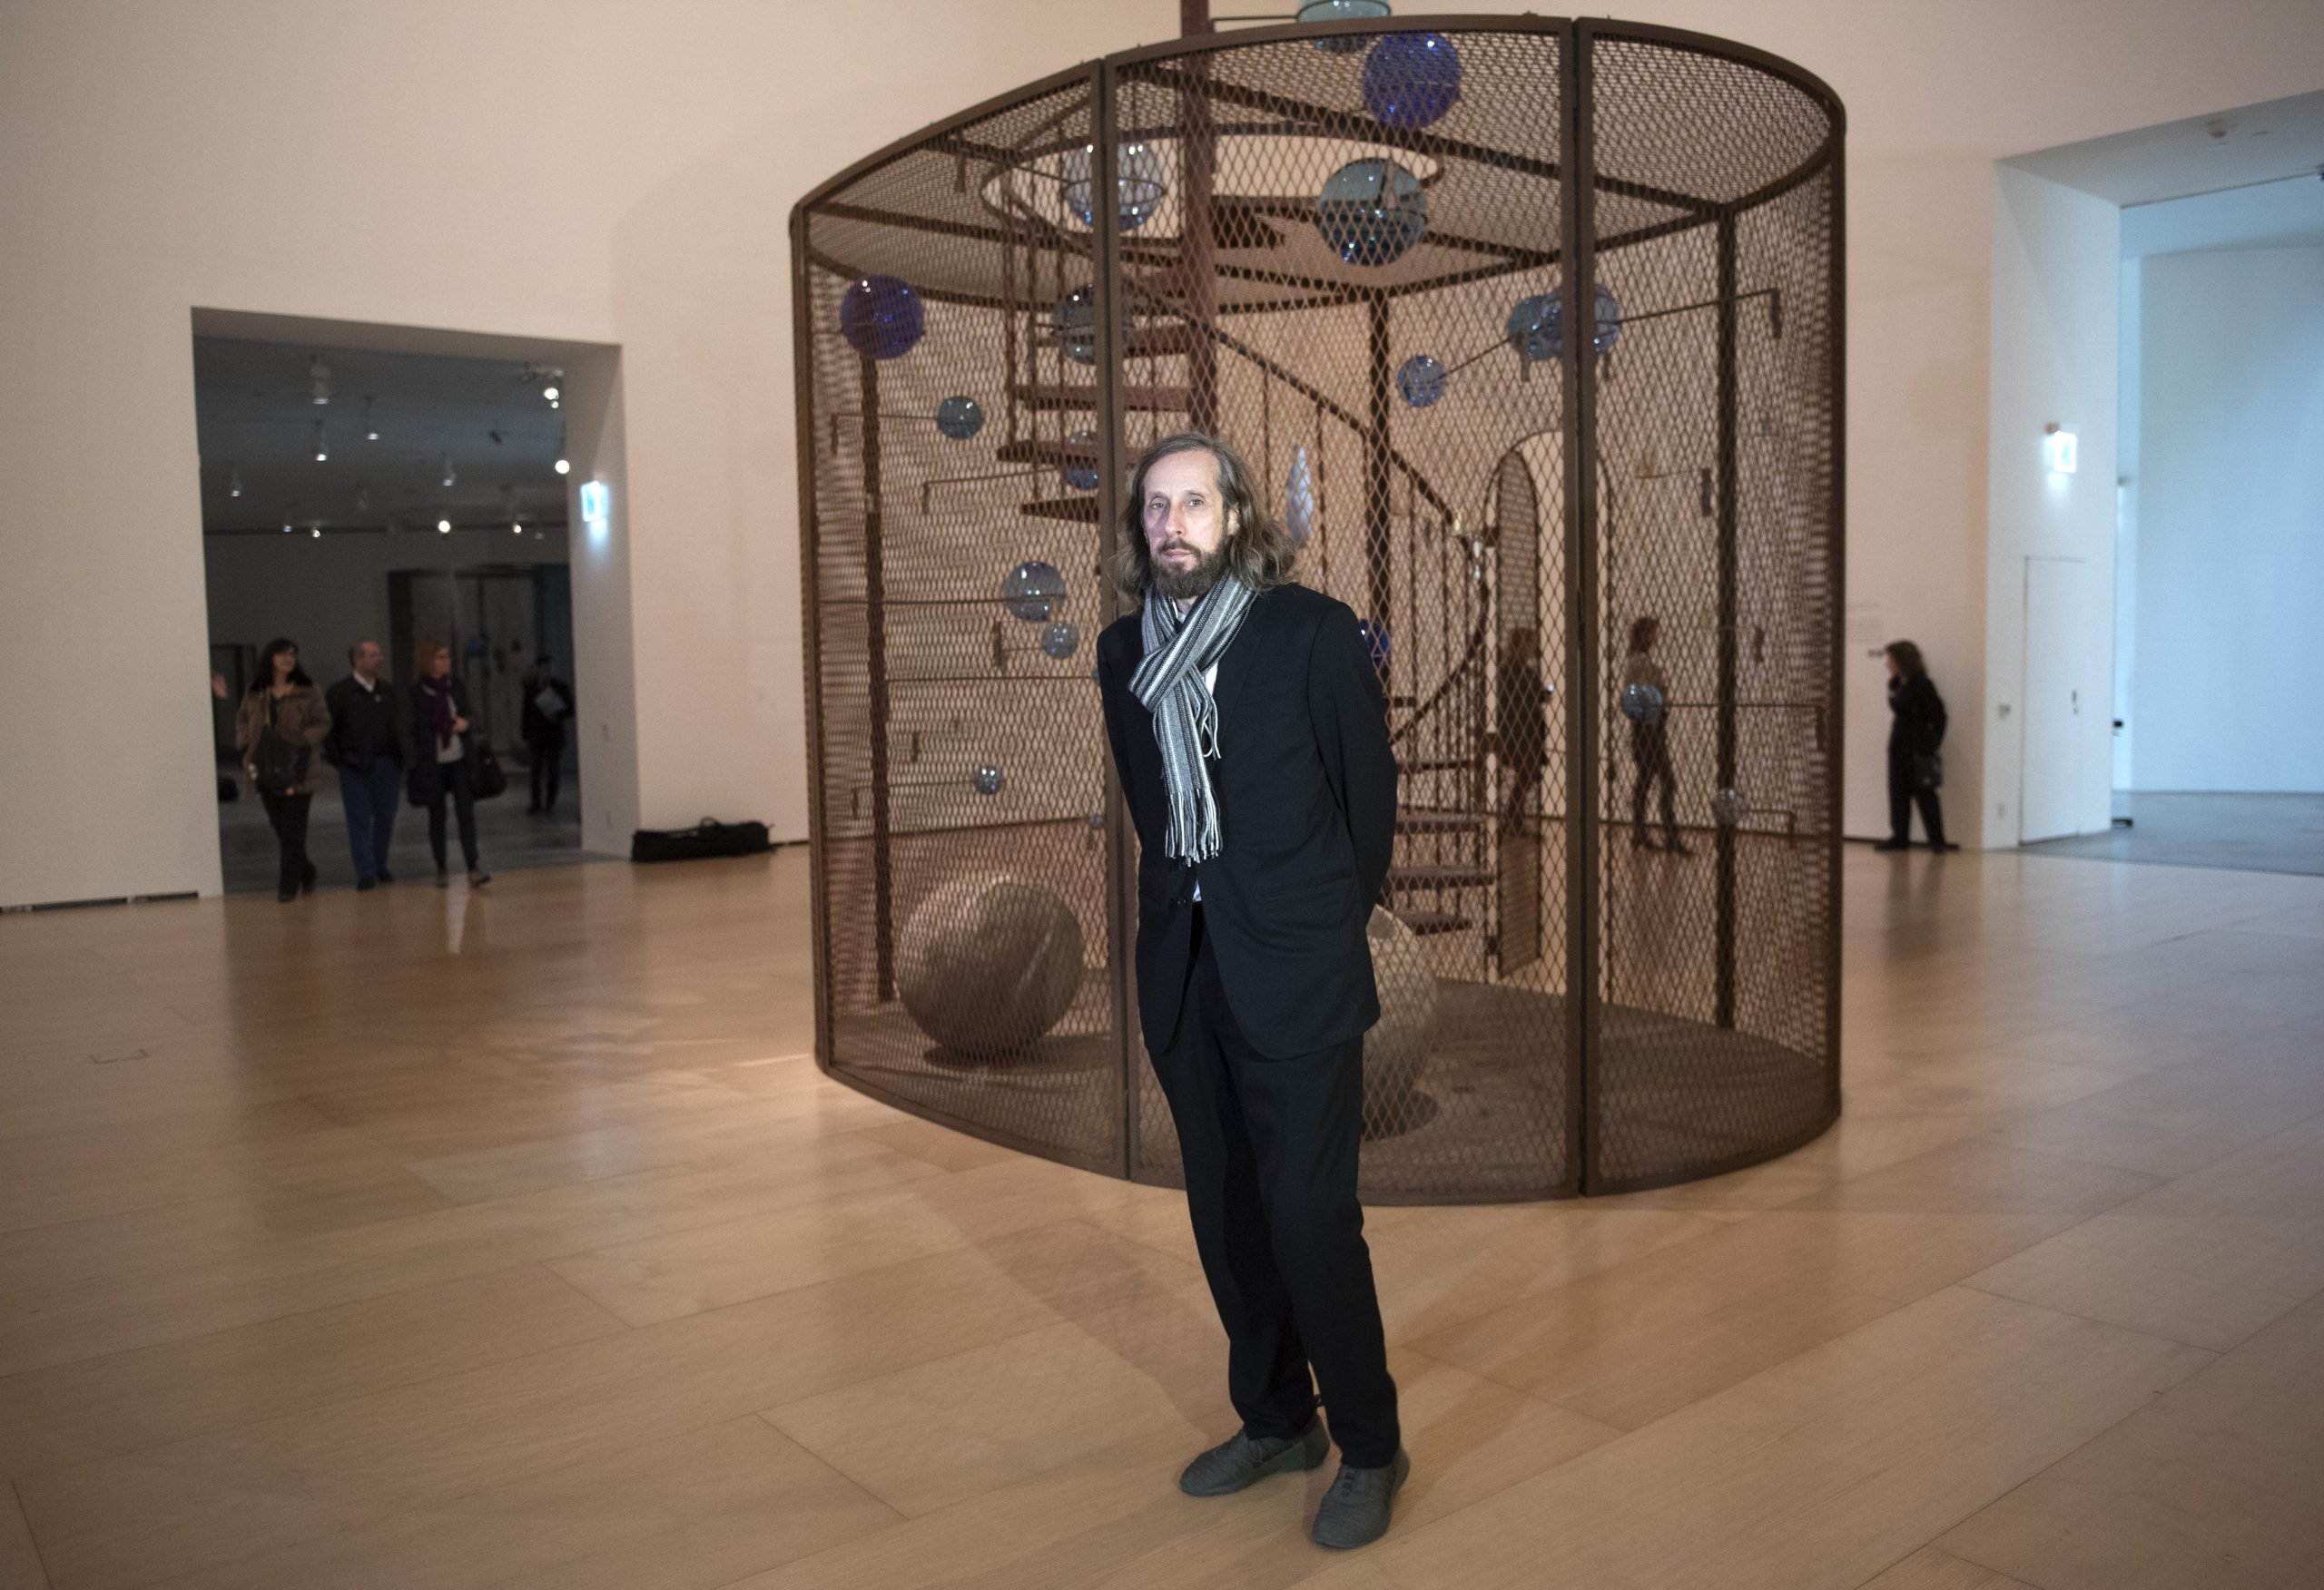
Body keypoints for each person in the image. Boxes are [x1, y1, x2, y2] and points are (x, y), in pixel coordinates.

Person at [1097, 432, 1407, 1552]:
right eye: (1154, 508)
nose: (1172, 522)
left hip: (1297, 972)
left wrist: (1315, 923)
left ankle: (1370, 1443)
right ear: (1141, 531)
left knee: (1309, 1217)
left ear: (1234, 519)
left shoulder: (1312, 635)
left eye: (1194, 502)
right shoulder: (1122, 652)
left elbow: (1365, 808)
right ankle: (1278, 1419)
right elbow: (1151, 807)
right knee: (1228, 1219)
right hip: (1184, 972)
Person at [234, 637, 330, 902]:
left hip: (299, 768)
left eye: (293, 654)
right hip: (265, 767)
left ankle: (287, 887)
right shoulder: (256, 689)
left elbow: (323, 721)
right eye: (283, 654)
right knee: (280, 828)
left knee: (293, 830)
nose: (289, 659)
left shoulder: (307, 689)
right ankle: (307, 870)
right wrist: (245, 747)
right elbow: (242, 717)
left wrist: (303, 740)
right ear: (271, 658)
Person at [407, 641, 491, 888]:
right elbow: (412, 730)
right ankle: (441, 865)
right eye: (441, 657)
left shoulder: (456, 687)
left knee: (466, 812)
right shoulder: (417, 693)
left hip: (459, 759)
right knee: (437, 815)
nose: (447, 661)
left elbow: (471, 714)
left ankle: (472, 866)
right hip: (433, 762)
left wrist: (466, 723)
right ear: (428, 661)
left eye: (447, 657)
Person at [323, 640, 405, 890]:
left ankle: (380, 864)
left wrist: (400, 756)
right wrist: (340, 758)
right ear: (357, 660)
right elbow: (328, 730)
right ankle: (365, 871)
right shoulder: (340, 693)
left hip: (385, 763)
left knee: (385, 818)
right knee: (358, 820)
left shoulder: (387, 691)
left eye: (379, 654)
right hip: (354, 765)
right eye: (372, 655)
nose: (379, 659)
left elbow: (398, 725)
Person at [1879, 639, 1956, 852]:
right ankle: (1899, 836)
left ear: (1902, 661)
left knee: (1925, 795)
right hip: (1898, 747)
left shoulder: (1922, 685)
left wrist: (1930, 744)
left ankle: (1937, 840)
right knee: (1898, 793)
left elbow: (1939, 716)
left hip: (1917, 749)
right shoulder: (1896, 684)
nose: (1888, 664)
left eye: (1891, 660)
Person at [1621, 614, 1689, 854]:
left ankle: (1640, 832)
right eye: (1653, 632)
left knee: (1646, 780)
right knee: (1666, 782)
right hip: (1648, 730)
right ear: (1645, 635)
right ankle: (1668, 836)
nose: (1656, 637)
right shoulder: (1640, 663)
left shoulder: (1638, 661)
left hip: (1647, 729)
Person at [1495, 626, 1549, 835]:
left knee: (1526, 776)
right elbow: (1536, 697)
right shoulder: (1523, 672)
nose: (1534, 647)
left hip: (1514, 731)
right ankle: (1512, 820)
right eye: (1531, 642)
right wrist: (1546, 693)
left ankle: (1513, 820)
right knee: (1527, 775)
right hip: (1523, 733)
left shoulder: (1506, 670)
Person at [519, 653, 576, 814]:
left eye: (550, 668)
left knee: (553, 770)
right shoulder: (531, 688)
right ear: (537, 669)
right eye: (544, 668)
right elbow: (526, 713)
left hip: (554, 734)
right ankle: (535, 802)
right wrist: (524, 735)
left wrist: (557, 714)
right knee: (535, 770)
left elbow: (570, 709)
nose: (547, 671)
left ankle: (550, 802)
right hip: (536, 735)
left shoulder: (560, 687)